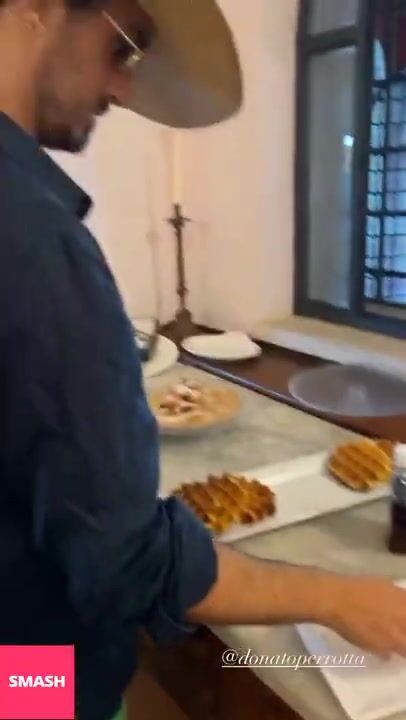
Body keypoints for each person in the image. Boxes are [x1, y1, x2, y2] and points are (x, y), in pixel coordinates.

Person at [0, 1, 405, 719]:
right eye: (125, 48)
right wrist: (341, 598)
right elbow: (126, 558)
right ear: (36, 9)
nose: (124, 89)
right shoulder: (33, 238)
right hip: (29, 672)